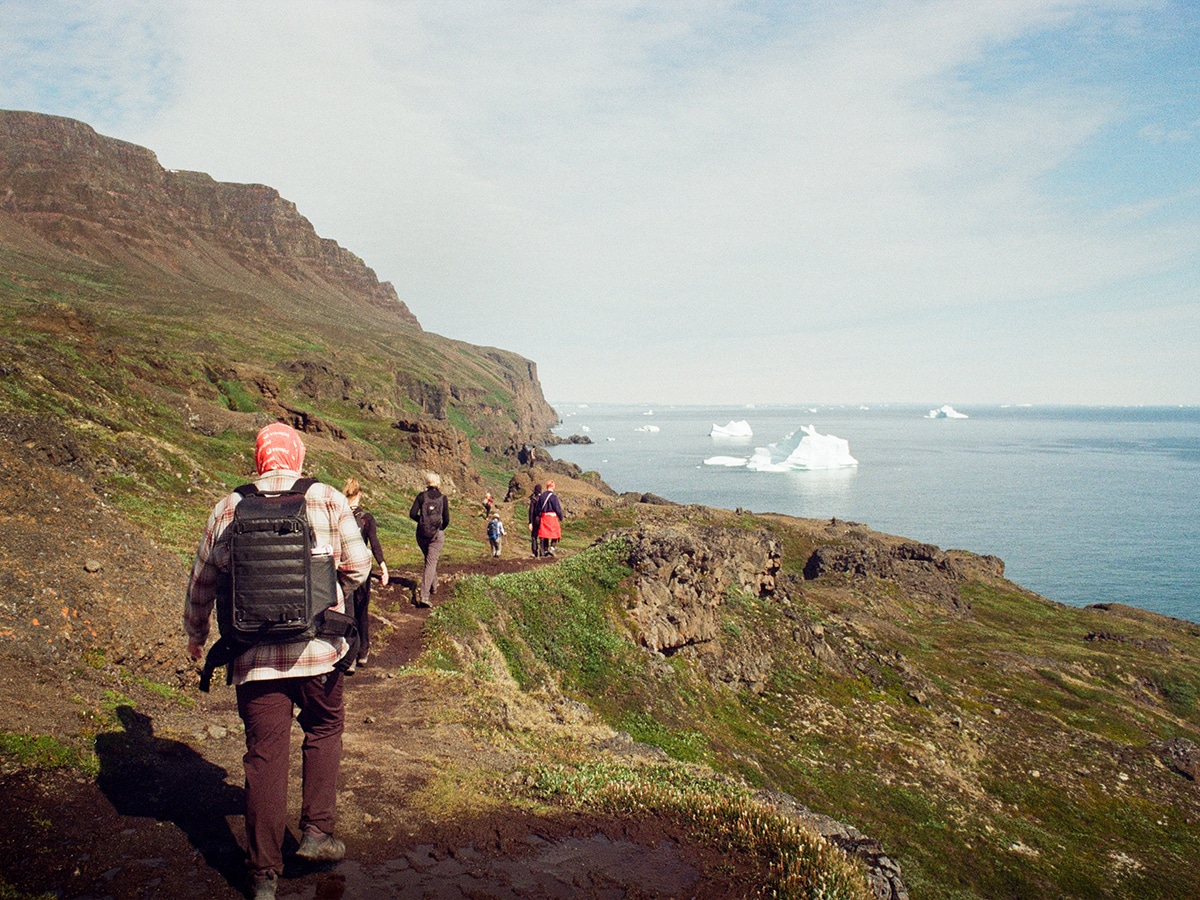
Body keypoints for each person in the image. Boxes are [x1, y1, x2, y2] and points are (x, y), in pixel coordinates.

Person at [185, 423, 372, 900]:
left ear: (260, 457)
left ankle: (263, 874)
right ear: (298, 455)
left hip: (252, 657)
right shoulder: (327, 497)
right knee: (324, 728)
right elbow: (359, 565)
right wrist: (323, 597)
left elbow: (203, 580)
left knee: (264, 755)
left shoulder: (228, 506)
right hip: (318, 650)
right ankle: (317, 833)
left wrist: (196, 635)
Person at [342, 477, 388, 667]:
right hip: (362, 569)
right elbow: (374, 543)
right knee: (362, 610)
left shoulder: (340, 515)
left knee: (347, 611)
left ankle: (349, 655)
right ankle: (363, 650)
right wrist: (383, 566)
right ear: (359, 493)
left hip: (343, 570)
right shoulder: (366, 518)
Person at [409, 471, 449, 608]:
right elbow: (447, 519)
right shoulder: (443, 498)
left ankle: (434, 585)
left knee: (430, 560)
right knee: (431, 562)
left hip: (421, 534)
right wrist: (440, 528)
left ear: (427, 482)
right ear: (438, 483)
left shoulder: (421, 496)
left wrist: (421, 522)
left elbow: (412, 514)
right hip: (436, 535)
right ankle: (424, 596)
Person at [535, 479, 564, 557]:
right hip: (552, 518)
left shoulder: (542, 496)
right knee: (556, 533)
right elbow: (557, 508)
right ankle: (552, 548)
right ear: (552, 486)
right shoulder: (554, 497)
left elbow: (538, 508)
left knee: (545, 534)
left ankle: (545, 550)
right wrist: (561, 517)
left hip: (544, 517)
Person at [527, 483, 543, 557]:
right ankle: (542, 552)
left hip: (535, 519)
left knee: (534, 536)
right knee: (542, 536)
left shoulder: (533, 499)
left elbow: (531, 511)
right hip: (542, 519)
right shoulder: (543, 499)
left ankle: (534, 552)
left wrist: (530, 522)